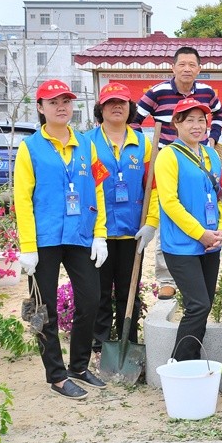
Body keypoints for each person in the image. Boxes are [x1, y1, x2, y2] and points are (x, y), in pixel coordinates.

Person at [13, 79, 109, 399]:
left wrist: (100, 234)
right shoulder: (30, 148)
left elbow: (98, 190)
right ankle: (56, 375)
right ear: (40, 108)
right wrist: (28, 247)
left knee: (91, 299)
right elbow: (22, 199)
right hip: (45, 239)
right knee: (45, 309)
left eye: (66, 101)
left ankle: (78, 366)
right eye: (53, 102)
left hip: (79, 235)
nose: (61, 107)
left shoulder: (86, 145)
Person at [130, 46, 222, 300]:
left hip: (197, 159)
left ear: (199, 69)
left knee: (200, 207)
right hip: (168, 159)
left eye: (192, 65)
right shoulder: (158, 92)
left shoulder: (207, 92)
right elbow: (135, 118)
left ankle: (199, 272)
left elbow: (219, 113)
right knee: (168, 213)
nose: (186, 69)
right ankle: (166, 278)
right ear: (172, 67)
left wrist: (212, 139)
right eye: (181, 64)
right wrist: (148, 147)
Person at [154, 98, 222, 361]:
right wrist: (201, 234)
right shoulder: (168, 155)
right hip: (182, 245)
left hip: (211, 244)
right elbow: (170, 202)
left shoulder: (211, 155)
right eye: (190, 120)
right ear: (176, 123)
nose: (197, 126)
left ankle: (192, 359)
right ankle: (179, 362)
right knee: (197, 305)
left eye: (201, 120)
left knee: (204, 306)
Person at [87, 83, 158, 358]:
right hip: (98, 233)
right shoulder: (87, 142)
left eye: (122, 102)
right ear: (100, 108)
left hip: (132, 231)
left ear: (130, 108)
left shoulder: (143, 144)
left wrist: (151, 222)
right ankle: (100, 348)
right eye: (110, 102)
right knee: (100, 294)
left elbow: (153, 186)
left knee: (129, 294)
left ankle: (128, 345)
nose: (116, 107)